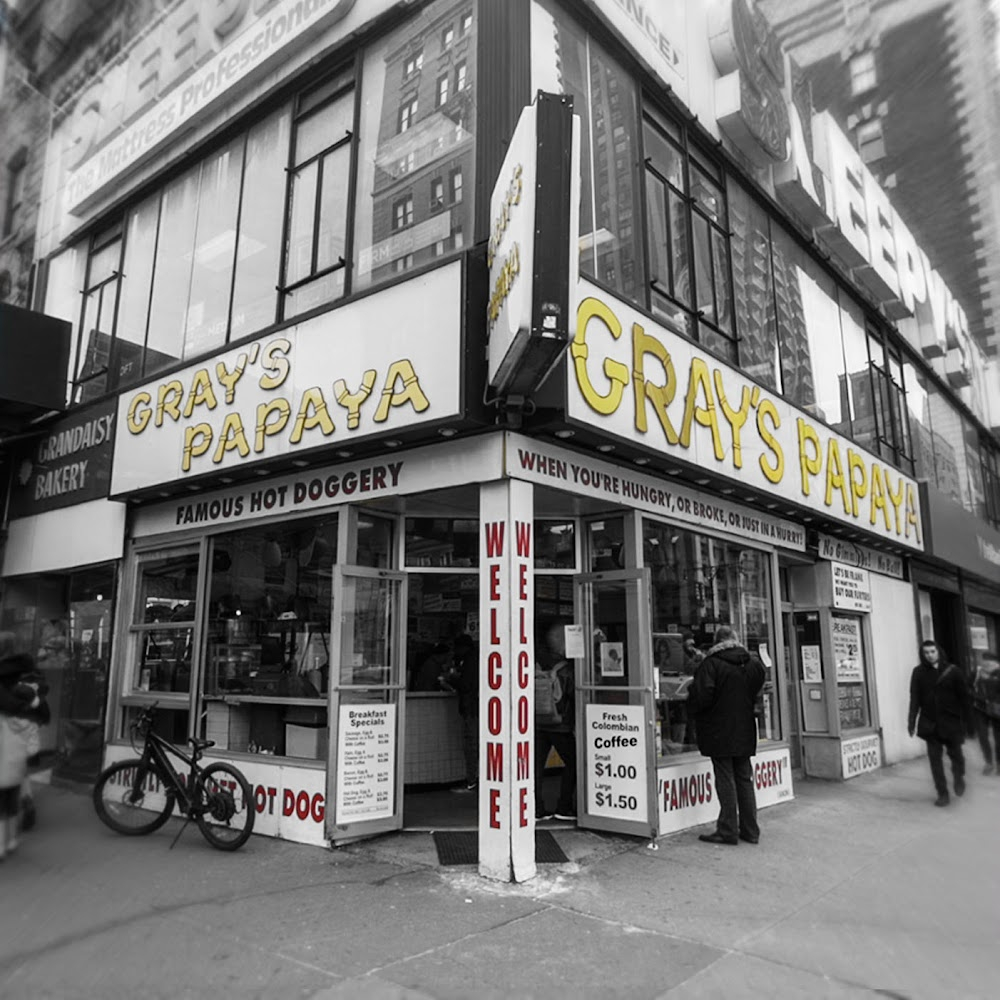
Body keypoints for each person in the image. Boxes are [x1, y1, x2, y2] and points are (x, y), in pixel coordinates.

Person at [688, 625, 765, 845]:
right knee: (744, 778)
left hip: (719, 730)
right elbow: (758, 690)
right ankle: (750, 830)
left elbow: (702, 697)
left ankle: (728, 829)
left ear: (716, 642)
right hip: (745, 728)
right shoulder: (753, 664)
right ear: (736, 639)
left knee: (725, 779)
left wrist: (692, 702)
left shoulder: (711, 664)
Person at [908, 640, 971, 806]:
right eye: (926, 652)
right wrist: (911, 721)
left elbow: (964, 698)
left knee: (956, 756)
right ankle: (942, 794)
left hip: (951, 722)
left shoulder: (953, 671)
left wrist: (969, 722)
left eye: (932, 651)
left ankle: (958, 777)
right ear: (923, 654)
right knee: (935, 762)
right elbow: (914, 698)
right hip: (930, 723)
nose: (929, 655)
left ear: (938, 652)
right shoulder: (918, 672)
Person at [0, 632, 43, 860]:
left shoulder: (7, 678)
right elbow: (37, 711)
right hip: (20, 738)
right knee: (14, 782)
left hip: (8, 735)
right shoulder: (25, 674)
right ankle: (11, 836)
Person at [534, 621, 576, 822]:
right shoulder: (567, 668)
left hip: (538, 720)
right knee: (574, 763)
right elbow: (572, 695)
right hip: (560, 724)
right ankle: (564, 806)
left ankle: (535, 808)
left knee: (535, 767)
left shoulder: (537, 662)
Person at [445, 634, 479, 791]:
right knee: (474, 743)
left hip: (471, 708)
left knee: (471, 743)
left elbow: (466, 685)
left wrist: (451, 679)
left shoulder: (470, 661)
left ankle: (472, 779)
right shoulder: (477, 658)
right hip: (475, 707)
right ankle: (474, 778)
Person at [971, 652, 1000, 775]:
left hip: (997, 709)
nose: (986, 662)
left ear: (995, 662)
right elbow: (968, 686)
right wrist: (975, 696)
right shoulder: (977, 673)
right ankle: (988, 762)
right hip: (980, 709)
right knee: (983, 737)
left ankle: (999, 764)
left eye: (989, 660)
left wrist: (996, 700)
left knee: (998, 738)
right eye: (984, 660)